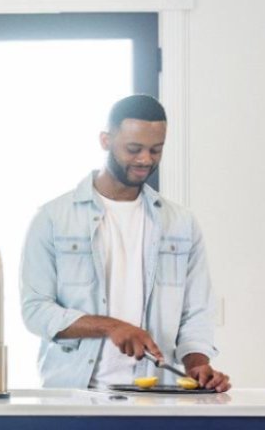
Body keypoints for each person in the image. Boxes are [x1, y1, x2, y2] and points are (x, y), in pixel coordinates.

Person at [19, 93, 231, 392]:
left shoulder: (181, 223)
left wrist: (198, 364)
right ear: (106, 140)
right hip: (75, 394)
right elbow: (36, 311)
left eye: (156, 150)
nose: (145, 159)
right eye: (134, 149)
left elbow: (196, 311)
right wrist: (111, 326)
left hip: (159, 395)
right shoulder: (53, 218)